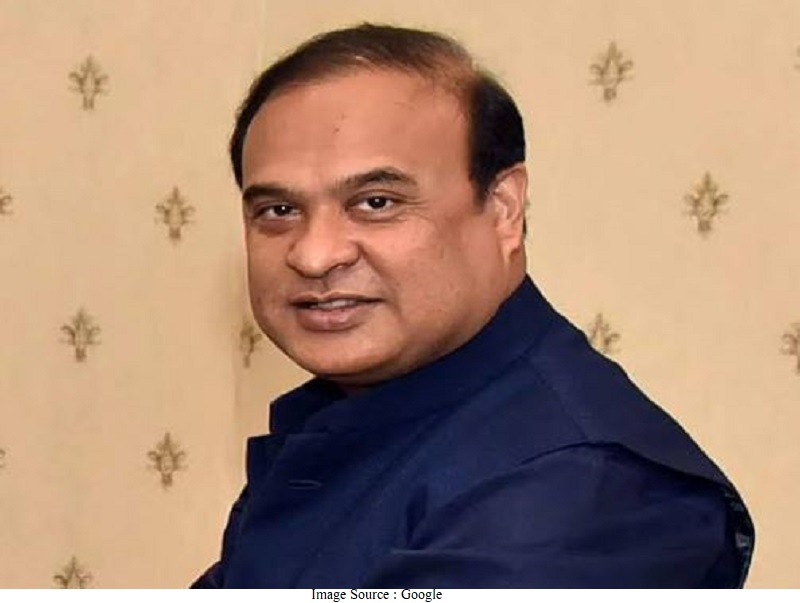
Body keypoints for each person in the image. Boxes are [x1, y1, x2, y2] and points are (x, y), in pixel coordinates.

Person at [193, 23, 754, 588]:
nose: (314, 255)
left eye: (376, 202)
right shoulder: (355, 418)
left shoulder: (577, 489)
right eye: (278, 211)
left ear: (505, 208)